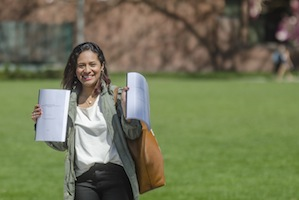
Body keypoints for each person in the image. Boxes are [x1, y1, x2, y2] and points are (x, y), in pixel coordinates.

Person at [31, 42, 142, 200]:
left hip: (116, 175)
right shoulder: (65, 102)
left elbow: (134, 134)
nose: (87, 70)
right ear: (75, 69)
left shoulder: (117, 96)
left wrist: (128, 115)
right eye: (81, 65)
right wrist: (41, 124)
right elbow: (62, 145)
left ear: (102, 66)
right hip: (83, 179)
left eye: (92, 64)